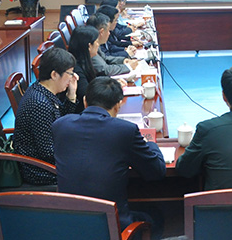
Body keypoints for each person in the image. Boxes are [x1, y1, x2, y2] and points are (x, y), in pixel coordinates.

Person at [53, 77, 166, 236]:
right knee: (157, 214)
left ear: (85, 101)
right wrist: (152, 144)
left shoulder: (60, 125)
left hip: (67, 222)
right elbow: (157, 171)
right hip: (112, 226)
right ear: (118, 105)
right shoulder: (125, 131)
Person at [14, 48, 78, 185]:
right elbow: (48, 152)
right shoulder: (39, 104)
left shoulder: (42, 89)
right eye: (70, 73)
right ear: (54, 74)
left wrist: (71, 96)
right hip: (39, 169)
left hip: (47, 159)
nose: (73, 78)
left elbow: (61, 121)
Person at [86, 13, 138, 77]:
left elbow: (105, 58)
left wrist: (123, 60)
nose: (109, 33)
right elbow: (105, 70)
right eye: (108, 30)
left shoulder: (94, 41)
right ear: (101, 32)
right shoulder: (90, 46)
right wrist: (128, 67)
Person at [68, 25, 101, 113]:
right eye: (97, 42)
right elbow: (87, 95)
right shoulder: (75, 68)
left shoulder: (84, 61)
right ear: (89, 46)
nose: (98, 45)